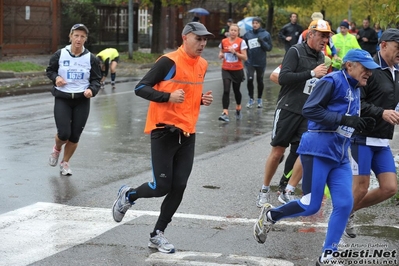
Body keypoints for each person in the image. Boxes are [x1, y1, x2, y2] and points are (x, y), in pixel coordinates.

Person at [253, 49, 379, 265]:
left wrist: (359, 124)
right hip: (318, 150)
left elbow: (346, 118)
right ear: (349, 65)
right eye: (365, 67)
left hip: (339, 155)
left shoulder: (356, 88)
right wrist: (344, 119)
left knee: (344, 203)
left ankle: (328, 253)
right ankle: (271, 216)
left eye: (370, 69)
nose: (369, 72)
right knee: (312, 204)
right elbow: (310, 109)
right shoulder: (331, 81)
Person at [111, 22, 214, 254]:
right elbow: (140, 88)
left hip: (188, 133)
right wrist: (167, 96)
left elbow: (187, 97)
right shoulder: (168, 61)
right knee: (161, 186)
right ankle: (128, 195)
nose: (203, 43)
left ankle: (157, 234)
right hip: (163, 131)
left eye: (205, 39)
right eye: (198, 39)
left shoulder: (203, 64)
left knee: (179, 186)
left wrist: (199, 101)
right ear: (185, 37)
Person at [255, 20, 330, 208]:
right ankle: (264, 190)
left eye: (327, 36)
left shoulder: (321, 57)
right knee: (278, 151)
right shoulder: (295, 51)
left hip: (307, 112)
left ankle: (287, 190)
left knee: (304, 152)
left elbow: (314, 85)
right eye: (322, 35)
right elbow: (283, 77)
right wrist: (312, 73)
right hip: (288, 108)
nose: (325, 40)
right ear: (311, 34)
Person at [345, 28, 399, 239]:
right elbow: (357, 102)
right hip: (362, 137)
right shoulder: (369, 69)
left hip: (382, 139)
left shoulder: (397, 71)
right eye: (397, 48)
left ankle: (347, 212)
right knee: (360, 188)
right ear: (383, 45)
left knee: (389, 188)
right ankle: (337, 223)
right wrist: (382, 113)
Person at [46, 23, 102, 176]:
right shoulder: (60, 54)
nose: (79, 39)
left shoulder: (91, 58)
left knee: (75, 135)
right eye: (76, 35)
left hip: (81, 99)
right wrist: (56, 77)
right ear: (70, 37)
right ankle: (57, 149)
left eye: (82, 36)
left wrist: (92, 90)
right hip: (63, 98)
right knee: (64, 133)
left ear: (86, 39)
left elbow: (97, 80)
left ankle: (65, 162)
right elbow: (50, 71)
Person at [218, 23, 248, 122]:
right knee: (226, 90)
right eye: (231, 30)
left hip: (237, 70)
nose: (233, 32)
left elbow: (245, 57)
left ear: (238, 32)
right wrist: (221, 55)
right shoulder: (224, 41)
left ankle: (238, 107)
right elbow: (221, 52)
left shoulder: (241, 42)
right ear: (229, 31)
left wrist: (235, 52)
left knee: (236, 91)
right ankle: (225, 112)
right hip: (226, 69)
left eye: (235, 30)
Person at [243, 17, 272, 108]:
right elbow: (244, 48)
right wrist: (245, 59)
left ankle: (259, 99)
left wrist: (262, 42)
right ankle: (251, 99)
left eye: (256, 23)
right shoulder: (248, 34)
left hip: (261, 62)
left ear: (260, 24)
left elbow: (269, 48)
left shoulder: (265, 34)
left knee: (260, 80)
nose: (255, 25)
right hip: (250, 62)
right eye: (253, 23)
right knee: (250, 80)